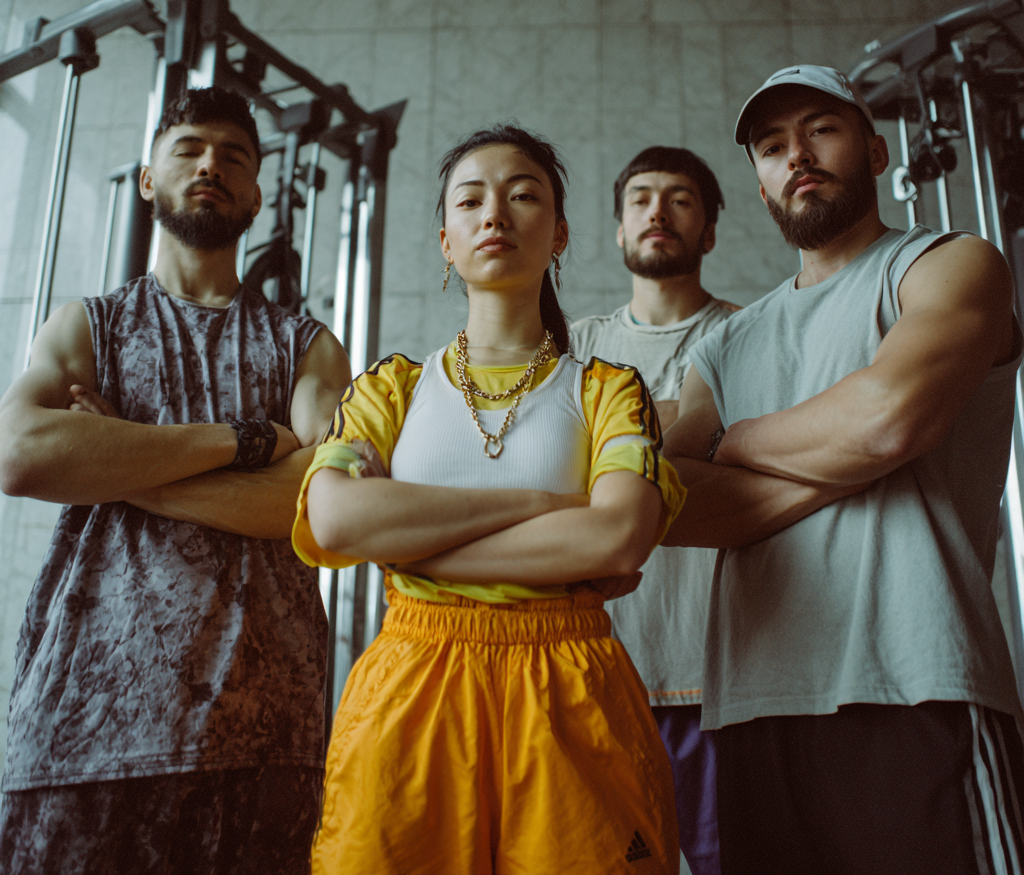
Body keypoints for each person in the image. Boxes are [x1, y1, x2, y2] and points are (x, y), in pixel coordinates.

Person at [292, 124, 687, 875]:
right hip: (412, 683)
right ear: (447, 241)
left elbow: (614, 541)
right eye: (470, 201)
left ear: (561, 234)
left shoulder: (608, 391)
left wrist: (405, 534)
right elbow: (335, 518)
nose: (494, 215)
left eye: (523, 196)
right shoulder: (392, 387)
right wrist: (542, 504)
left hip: (567, 685)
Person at [660, 65, 1024, 875]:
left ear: (873, 144)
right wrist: (860, 458)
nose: (797, 155)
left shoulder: (949, 264)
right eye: (771, 145)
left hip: (916, 681)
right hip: (751, 703)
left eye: (820, 130)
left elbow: (891, 414)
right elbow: (672, 502)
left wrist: (733, 442)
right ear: (757, 181)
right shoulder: (724, 343)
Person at [0, 87, 351, 875]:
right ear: (148, 179)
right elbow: (19, 456)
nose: (210, 166)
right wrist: (247, 440)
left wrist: (113, 458)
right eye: (189, 148)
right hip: (81, 726)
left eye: (234, 156)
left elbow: (320, 501)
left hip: (261, 731)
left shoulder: (306, 348)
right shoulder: (85, 327)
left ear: (258, 194)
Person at [571, 146, 736, 875]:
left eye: (680, 199)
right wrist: (703, 433)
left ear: (708, 231)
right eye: (640, 198)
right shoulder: (575, 347)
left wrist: (604, 443)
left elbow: (757, 464)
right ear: (617, 228)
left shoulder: (753, 333)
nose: (657, 212)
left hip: (723, 679)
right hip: (601, 670)